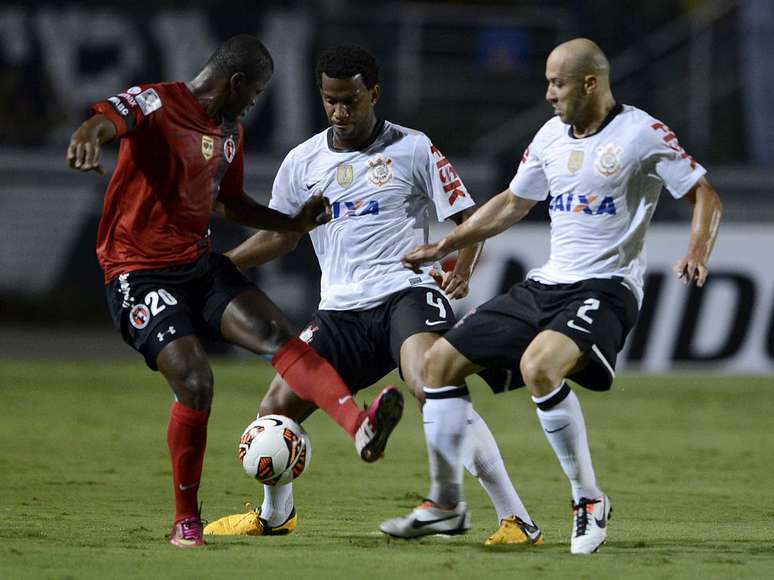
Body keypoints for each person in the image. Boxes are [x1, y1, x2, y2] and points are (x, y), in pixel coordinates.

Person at [380, 38, 722, 554]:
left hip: (607, 287)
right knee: (437, 365)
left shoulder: (641, 133)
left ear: (590, 83)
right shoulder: (549, 136)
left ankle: (588, 500)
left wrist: (697, 250)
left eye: (557, 83)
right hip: (547, 283)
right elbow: (514, 203)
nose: (548, 94)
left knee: (541, 367)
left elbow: (705, 194)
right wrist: (448, 243)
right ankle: (446, 504)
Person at [66, 35, 404, 549]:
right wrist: (90, 136)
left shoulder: (229, 134)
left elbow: (231, 204)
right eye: (256, 92)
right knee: (196, 380)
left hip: (197, 264)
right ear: (237, 82)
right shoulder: (159, 101)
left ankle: (360, 427)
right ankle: (187, 521)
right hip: (137, 272)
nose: (254, 103)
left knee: (281, 338)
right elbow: (109, 118)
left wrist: (291, 222)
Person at [203, 45, 542, 546]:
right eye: (330, 100)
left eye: (351, 101)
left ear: (373, 94)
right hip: (339, 313)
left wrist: (463, 270)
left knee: (434, 385)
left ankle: (517, 519)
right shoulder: (303, 162)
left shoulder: (413, 148)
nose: (340, 112)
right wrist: (225, 263)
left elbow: (469, 220)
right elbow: (281, 235)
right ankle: (277, 514)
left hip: (405, 294)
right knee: (273, 410)